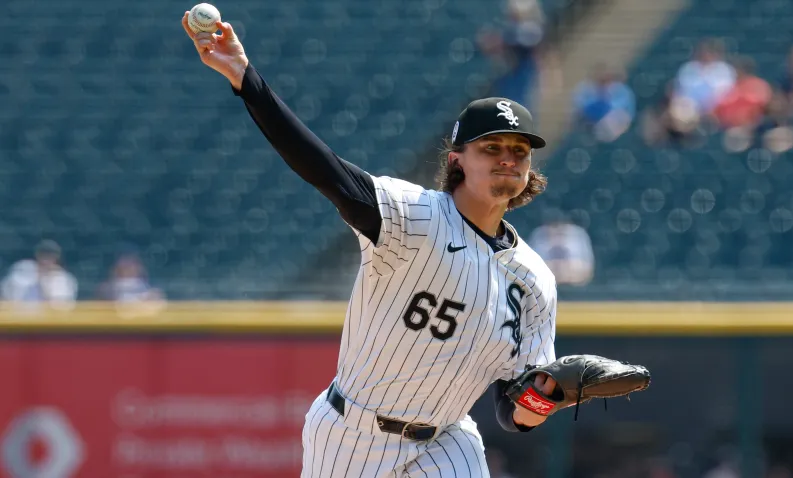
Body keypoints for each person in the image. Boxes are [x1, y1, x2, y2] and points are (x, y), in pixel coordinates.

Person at [182, 12, 565, 477]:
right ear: (457, 160)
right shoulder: (412, 216)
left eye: (519, 150)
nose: (508, 158)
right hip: (352, 435)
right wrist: (245, 79)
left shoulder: (535, 280)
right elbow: (320, 166)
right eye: (492, 147)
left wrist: (546, 396)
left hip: (447, 438)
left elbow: (514, 408)